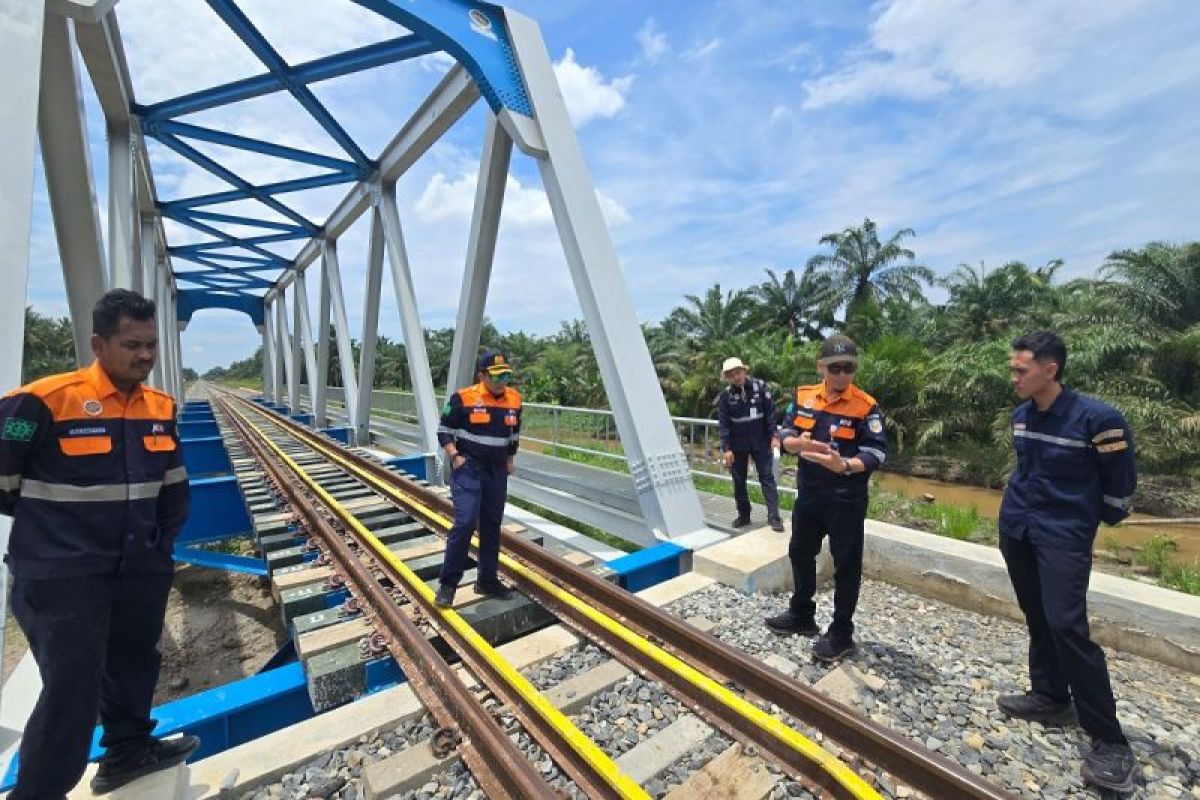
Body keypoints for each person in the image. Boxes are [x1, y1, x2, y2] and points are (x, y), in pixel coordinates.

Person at [0, 289, 197, 798]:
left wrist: (159, 547)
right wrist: (56, 535)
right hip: (64, 577)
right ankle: (38, 793)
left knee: (135, 663)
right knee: (72, 688)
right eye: (133, 345)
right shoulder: (43, 402)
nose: (145, 355)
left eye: (151, 345)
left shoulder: (159, 407)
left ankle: (127, 751)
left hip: (138, 569)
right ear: (98, 344)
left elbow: (173, 488)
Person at [996, 331, 1138, 794]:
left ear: (1050, 370)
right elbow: (1025, 470)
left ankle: (1110, 741)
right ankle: (1051, 696)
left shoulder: (1098, 420)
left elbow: (1119, 483)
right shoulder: (1022, 416)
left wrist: (1090, 519)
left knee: (1066, 626)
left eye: (1021, 370)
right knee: (1038, 616)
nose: (1014, 377)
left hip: (1063, 536)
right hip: (1019, 528)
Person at [764, 334, 888, 661]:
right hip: (809, 493)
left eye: (849, 368)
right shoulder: (804, 396)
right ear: (822, 367)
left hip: (846, 498)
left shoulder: (866, 406)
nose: (842, 375)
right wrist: (794, 444)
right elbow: (784, 432)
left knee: (846, 565)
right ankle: (801, 614)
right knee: (800, 552)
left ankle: (841, 633)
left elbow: (877, 453)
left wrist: (844, 465)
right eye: (835, 368)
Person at [434, 351, 522, 608]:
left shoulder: (515, 399)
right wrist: (454, 455)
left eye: (506, 376)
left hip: (497, 472)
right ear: (482, 376)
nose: (502, 381)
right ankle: (448, 585)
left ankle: (487, 580)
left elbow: (514, 433)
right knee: (465, 523)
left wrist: (510, 459)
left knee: (492, 526)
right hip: (469, 468)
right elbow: (444, 430)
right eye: (496, 376)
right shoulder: (463, 398)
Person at [716, 357, 783, 532]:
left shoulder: (760, 387)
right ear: (727, 377)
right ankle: (744, 515)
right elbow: (724, 424)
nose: (736, 377)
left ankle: (774, 517)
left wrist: (774, 436)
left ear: (744, 371)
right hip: (737, 445)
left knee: (767, 478)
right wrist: (726, 449)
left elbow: (770, 414)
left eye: (738, 372)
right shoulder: (725, 396)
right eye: (731, 375)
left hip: (760, 441)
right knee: (739, 481)